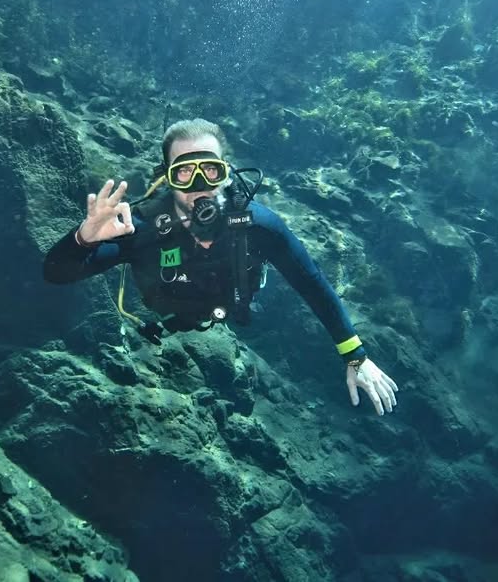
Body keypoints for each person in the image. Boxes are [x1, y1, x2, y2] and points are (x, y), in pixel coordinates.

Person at [43, 118, 398, 415]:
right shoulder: (143, 232)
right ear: (167, 177)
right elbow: (55, 273)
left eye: (210, 170)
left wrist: (356, 356)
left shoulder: (259, 227)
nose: (200, 186)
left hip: (236, 305)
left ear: (226, 174)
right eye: (185, 174)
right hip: (169, 316)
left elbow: (312, 284)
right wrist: (84, 238)